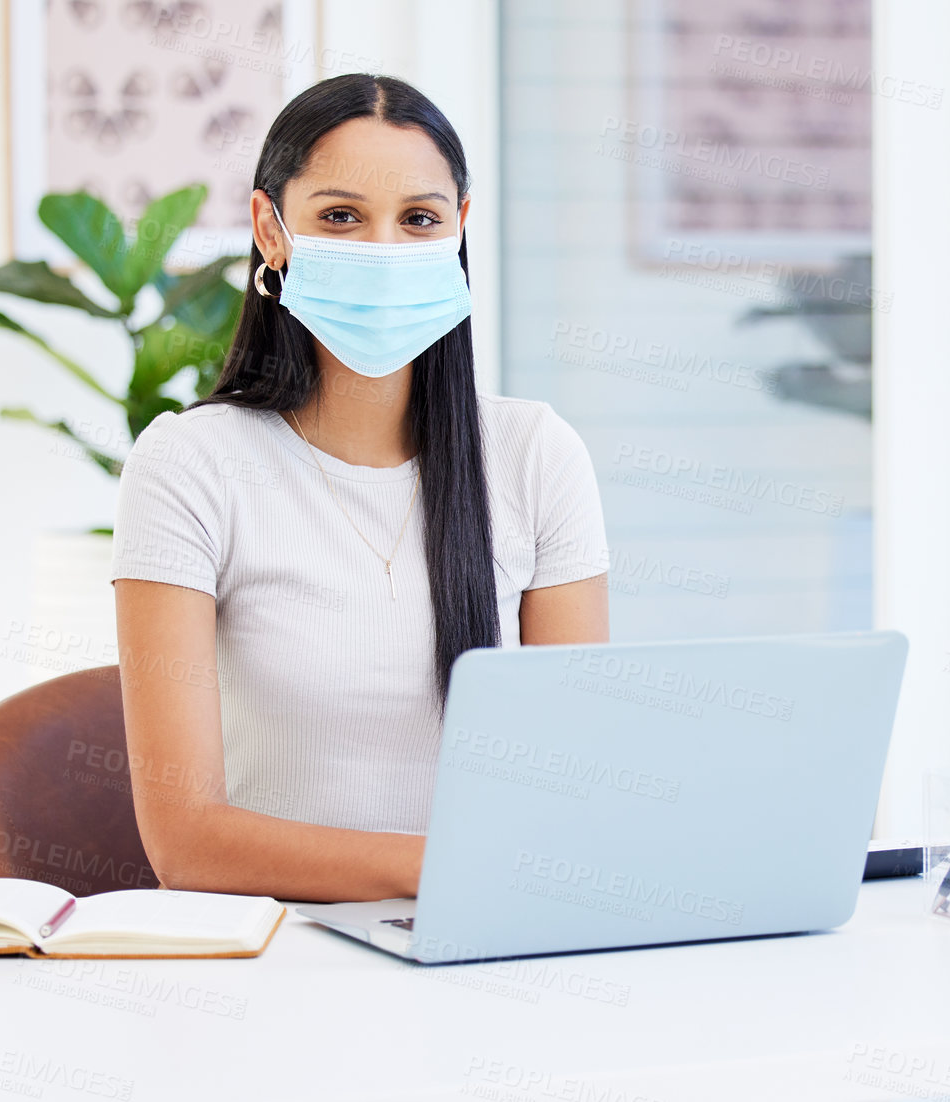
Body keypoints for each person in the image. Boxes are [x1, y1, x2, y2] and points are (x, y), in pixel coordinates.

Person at [110, 73, 609, 902]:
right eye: (341, 217)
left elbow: (570, 781)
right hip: (279, 961)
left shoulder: (536, 455)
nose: (384, 251)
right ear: (271, 229)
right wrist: (445, 870)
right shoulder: (189, 464)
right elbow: (186, 843)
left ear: (459, 229)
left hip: (493, 942)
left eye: (419, 219)